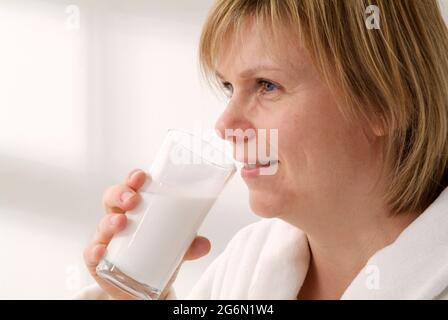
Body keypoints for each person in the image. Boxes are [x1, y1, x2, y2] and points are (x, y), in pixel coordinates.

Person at [76, 0, 448, 299]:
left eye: (267, 85)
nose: (224, 124)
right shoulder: (246, 264)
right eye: (228, 87)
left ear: (383, 101)